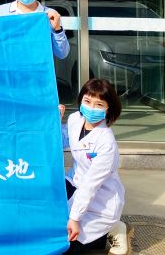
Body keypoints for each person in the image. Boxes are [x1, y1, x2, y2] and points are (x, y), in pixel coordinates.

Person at [62, 79, 129, 255]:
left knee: (67, 246)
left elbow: (90, 186)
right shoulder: (75, 119)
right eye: (87, 101)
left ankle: (113, 229)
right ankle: (99, 236)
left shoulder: (106, 143)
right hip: (75, 181)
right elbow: (60, 141)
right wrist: (54, 121)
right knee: (50, 216)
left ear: (108, 108)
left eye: (99, 104)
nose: (91, 108)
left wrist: (74, 218)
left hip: (100, 200)